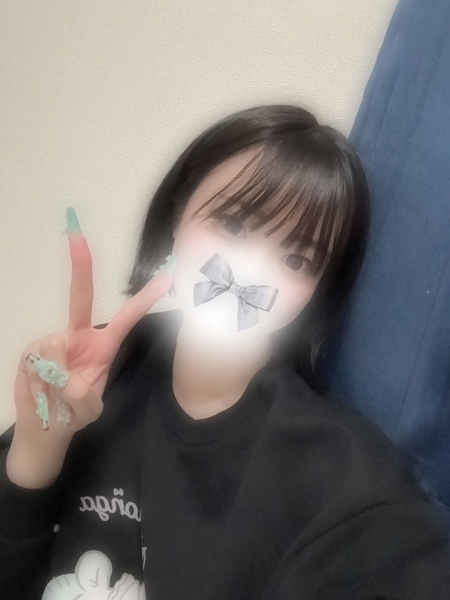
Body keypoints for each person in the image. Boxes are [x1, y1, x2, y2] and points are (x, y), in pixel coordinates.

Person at [1, 104, 449, 600]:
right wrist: (36, 450)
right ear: (177, 216)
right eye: (233, 224)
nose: (248, 272)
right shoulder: (93, 375)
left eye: (296, 259)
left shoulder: (346, 485)